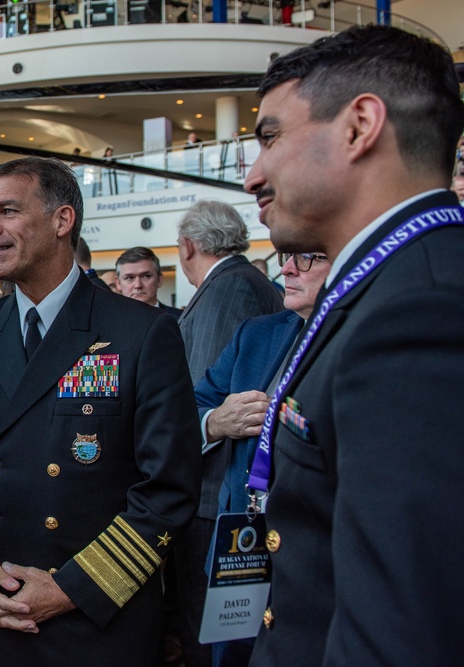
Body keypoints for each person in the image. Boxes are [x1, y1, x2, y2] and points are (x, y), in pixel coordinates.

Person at [0, 157, 201, 666]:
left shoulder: (142, 333)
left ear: (61, 220)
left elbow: (168, 488)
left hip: (93, 623)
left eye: (6, 211)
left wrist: (69, 589)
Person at [242, 25, 464, 665]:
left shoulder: (422, 311)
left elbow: (402, 632)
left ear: (360, 124)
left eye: (271, 136)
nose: (255, 174)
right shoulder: (390, 285)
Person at [192, 251, 330, 667]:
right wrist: (216, 421)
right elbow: (190, 406)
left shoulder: (362, 339)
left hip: (314, 564)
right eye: (288, 257)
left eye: (309, 259)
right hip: (241, 544)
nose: (286, 268)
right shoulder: (257, 334)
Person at [174, 199, 282, 667]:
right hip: (226, 496)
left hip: (218, 496)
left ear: (187, 247)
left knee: (209, 633)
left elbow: (206, 390)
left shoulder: (229, 289)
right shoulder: (242, 283)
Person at [115, 246, 182, 319]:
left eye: (146, 276)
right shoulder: (106, 322)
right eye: (129, 278)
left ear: (159, 279)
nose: (138, 285)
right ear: (118, 283)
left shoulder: (181, 319)